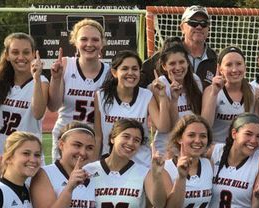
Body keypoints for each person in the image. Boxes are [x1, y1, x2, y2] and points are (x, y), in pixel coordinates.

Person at [94, 50, 170, 167]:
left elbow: (163, 127)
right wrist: (93, 166)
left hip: (141, 164)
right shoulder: (101, 96)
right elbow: (98, 137)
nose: (130, 73)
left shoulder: (146, 95)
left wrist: (163, 96)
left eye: (135, 69)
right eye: (124, 69)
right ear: (114, 72)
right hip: (110, 164)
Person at [48, 19, 109, 161]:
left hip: (93, 140)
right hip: (66, 135)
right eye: (84, 39)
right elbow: (53, 106)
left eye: (95, 39)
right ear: (75, 42)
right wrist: (56, 79)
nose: (89, 44)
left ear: (102, 43)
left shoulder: (110, 73)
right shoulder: (65, 65)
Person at [202, 46, 259, 143]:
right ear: (220, 68)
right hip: (217, 150)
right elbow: (205, 127)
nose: (234, 70)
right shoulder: (211, 91)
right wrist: (214, 94)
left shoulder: (254, 92)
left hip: (243, 150)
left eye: (239, 64)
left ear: (245, 66)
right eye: (229, 65)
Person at [141, 5, 217, 89]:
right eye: (193, 22)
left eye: (204, 23)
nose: (199, 27)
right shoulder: (164, 55)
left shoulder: (216, 60)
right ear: (182, 27)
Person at [152, 39, 203, 155]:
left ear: (187, 63)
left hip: (190, 147)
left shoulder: (195, 81)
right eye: (172, 64)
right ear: (164, 66)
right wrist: (172, 99)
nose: (178, 67)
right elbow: (170, 128)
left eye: (182, 62)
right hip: (166, 149)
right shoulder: (159, 85)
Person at [0, 33, 47, 156]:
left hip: (28, 156)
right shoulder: (2, 81)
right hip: (3, 153)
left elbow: (38, 113)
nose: (21, 57)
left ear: (33, 54)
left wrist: (36, 78)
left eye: (26, 52)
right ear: (7, 56)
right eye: (15, 52)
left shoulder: (41, 81)